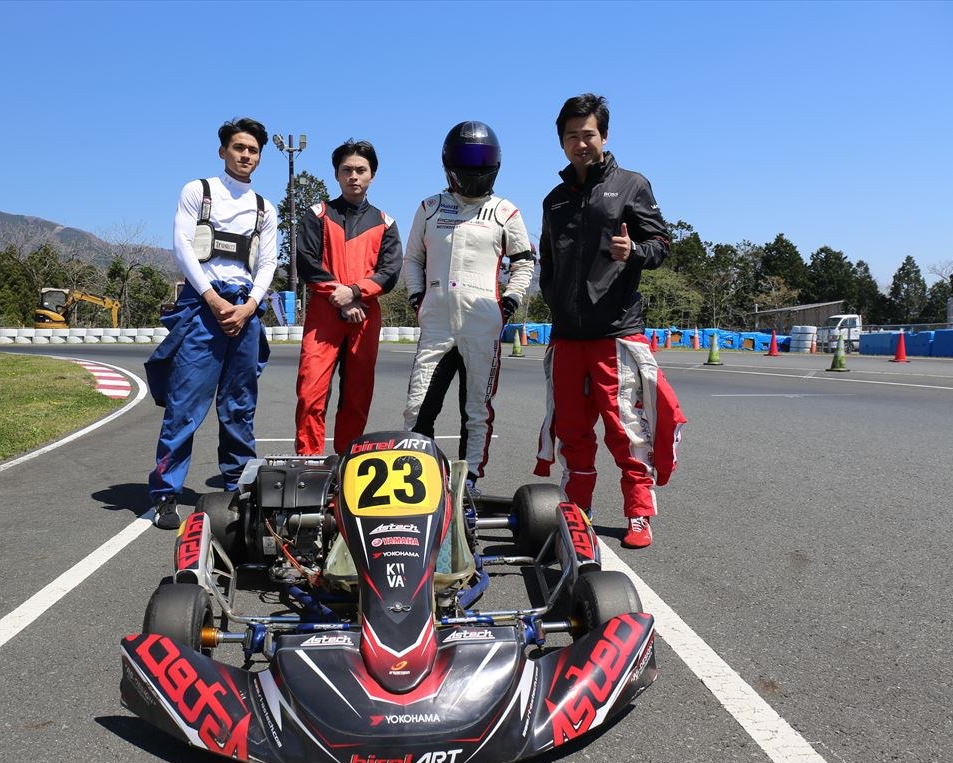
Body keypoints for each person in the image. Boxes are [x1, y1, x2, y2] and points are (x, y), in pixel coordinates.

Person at [534, 93, 686, 548]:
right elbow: (548, 262)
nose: (580, 144)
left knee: (625, 429)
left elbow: (660, 245)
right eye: (571, 136)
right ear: (561, 142)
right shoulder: (554, 200)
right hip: (567, 336)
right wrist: (555, 301)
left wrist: (633, 251)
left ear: (604, 136)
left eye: (588, 135)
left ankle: (639, 514)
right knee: (572, 431)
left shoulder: (632, 185)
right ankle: (577, 510)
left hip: (615, 333)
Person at [146, 118, 278, 529]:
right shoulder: (198, 191)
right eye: (239, 147)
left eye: (253, 150)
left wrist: (250, 305)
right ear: (223, 151)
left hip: (244, 309)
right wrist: (212, 298)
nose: (245, 155)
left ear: (259, 156)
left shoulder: (265, 208)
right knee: (185, 405)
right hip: (204, 307)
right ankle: (166, 493)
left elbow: (268, 262)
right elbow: (183, 246)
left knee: (239, 406)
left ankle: (238, 486)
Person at [402, 121, 535, 495]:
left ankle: (469, 480)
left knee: (476, 409)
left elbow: (524, 261)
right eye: (466, 160)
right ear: (449, 163)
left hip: (482, 323)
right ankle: (420, 479)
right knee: (417, 406)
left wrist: (510, 301)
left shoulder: (505, 211)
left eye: (481, 161)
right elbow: (412, 259)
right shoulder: (430, 208)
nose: (474, 169)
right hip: (437, 323)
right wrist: (417, 298)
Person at [294, 140, 403, 455]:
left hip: (365, 316)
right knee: (310, 391)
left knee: (357, 395)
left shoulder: (386, 223)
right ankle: (309, 460)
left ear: (372, 175)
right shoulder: (317, 214)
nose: (353, 176)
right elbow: (307, 263)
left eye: (360, 170)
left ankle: (348, 460)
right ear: (336, 175)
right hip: (324, 314)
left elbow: (390, 272)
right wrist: (341, 295)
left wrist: (354, 293)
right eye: (347, 170)